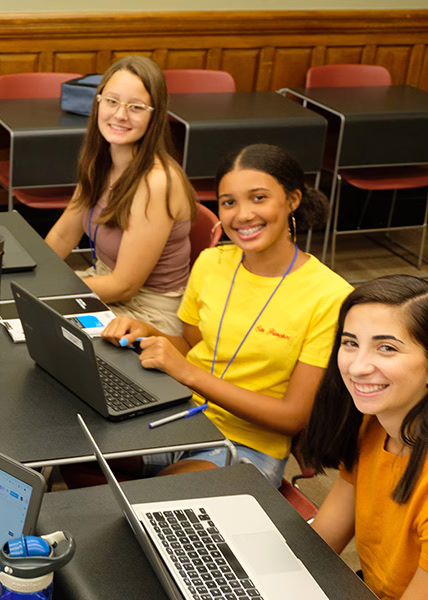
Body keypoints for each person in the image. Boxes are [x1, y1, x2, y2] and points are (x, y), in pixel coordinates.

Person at [101, 144, 352, 487]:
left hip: (244, 445)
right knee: (66, 436)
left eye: (259, 198)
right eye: (229, 202)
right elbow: (193, 346)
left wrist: (189, 375)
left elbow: (294, 418)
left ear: (293, 200)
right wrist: (149, 332)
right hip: (174, 415)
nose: (243, 215)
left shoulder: (330, 296)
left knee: (159, 503)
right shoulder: (211, 263)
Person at [45, 56, 196, 336]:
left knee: (38, 333)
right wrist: (30, 279)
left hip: (147, 313)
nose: (120, 115)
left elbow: (125, 285)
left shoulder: (157, 182)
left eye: (136, 107)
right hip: (103, 284)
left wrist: (48, 292)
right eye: (112, 101)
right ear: (98, 102)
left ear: (155, 115)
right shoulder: (100, 161)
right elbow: (64, 235)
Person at [300, 276, 428, 600]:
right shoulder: (371, 427)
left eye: (387, 348)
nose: (357, 367)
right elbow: (322, 542)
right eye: (351, 343)